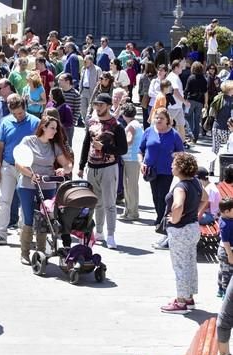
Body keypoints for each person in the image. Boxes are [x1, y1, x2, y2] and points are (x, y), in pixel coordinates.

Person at [14, 116, 73, 264]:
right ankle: (25, 253)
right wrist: (31, 175)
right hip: (28, 185)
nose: (55, 131)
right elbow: (18, 163)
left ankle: (40, 252)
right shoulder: (28, 141)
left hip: (48, 186)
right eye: (52, 128)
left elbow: (68, 164)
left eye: (56, 128)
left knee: (45, 219)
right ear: (43, 127)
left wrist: (63, 170)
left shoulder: (54, 146)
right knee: (28, 219)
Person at [78, 93, 128, 249]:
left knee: (110, 203)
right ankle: (99, 231)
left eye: (100, 105)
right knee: (95, 202)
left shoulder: (116, 125)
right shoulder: (92, 122)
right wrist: (81, 165)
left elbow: (122, 149)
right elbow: (86, 143)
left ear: (107, 106)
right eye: (95, 105)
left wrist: (104, 148)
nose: (98, 108)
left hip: (108, 167)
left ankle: (111, 234)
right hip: (92, 167)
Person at [0, 95, 40, 245]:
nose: (18, 117)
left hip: (26, 168)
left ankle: (25, 235)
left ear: (25, 108)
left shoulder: (35, 123)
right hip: (8, 165)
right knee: (4, 201)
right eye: (15, 114)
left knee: (26, 202)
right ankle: (0, 234)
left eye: (20, 113)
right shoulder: (5, 122)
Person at [160, 153, 206, 314]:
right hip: (193, 227)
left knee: (180, 266)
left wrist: (174, 219)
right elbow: (205, 199)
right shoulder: (195, 182)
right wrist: (195, 214)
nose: (171, 166)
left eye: (174, 163)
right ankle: (189, 298)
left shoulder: (180, 187)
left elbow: (178, 205)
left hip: (181, 230)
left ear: (181, 167)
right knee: (190, 264)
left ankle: (181, 302)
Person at [139, 108, 184, 242]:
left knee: (163, 194)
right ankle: (160, 216)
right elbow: (140, 149)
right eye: (156, 117)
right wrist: (141, 163)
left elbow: (181, 152)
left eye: (161, 118)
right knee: (154, 194)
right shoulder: (148, 131)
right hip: (150, 170)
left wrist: (175, 155)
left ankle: (160, 219)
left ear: (167, 120)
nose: (158, 120)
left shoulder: (174, 134)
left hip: (166, 170)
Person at [121, 103, 143, 220]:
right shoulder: (136, 124)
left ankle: (133, 212)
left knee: (131, 186)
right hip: (131, 159)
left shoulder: (131, 126)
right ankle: (128, 210)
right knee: (129, 186)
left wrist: (118, 144)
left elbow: (129, 140)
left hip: (131, 159)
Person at [211, 82, 233, 174]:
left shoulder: (218, 98)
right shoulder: (231, 101)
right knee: (230, 150)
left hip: (216, 127)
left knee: (214, 149)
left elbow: (212, 111)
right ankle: (229, 170)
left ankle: (211, 170)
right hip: (227, 129)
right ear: (230, 90)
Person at [184, 61, 209, 144]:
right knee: (197, 119)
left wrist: (184, 100)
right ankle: (195, 137)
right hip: (200, 102)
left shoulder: (191, 78)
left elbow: (186, 90)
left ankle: (191, 135)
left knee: (187, 117)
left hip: (190, 100)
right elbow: (206, 92)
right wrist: (206, 103)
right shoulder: (204, 79)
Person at [218, 198, 233, 297]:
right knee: (227, 273)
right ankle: (225, 292)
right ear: (227, 212)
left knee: (223, 270)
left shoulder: (228, 218)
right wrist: (230, 255)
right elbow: (226, 242)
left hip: (227, 250)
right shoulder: (225, 224)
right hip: (226, 251)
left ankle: (220, 289)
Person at [139, 62, 156, 129]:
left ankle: (146, 129)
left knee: (145, 115)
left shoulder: (143, 76)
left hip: (145, 97)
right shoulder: (156, 76)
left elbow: (140, 89)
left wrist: (140, 98)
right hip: (153, 97)